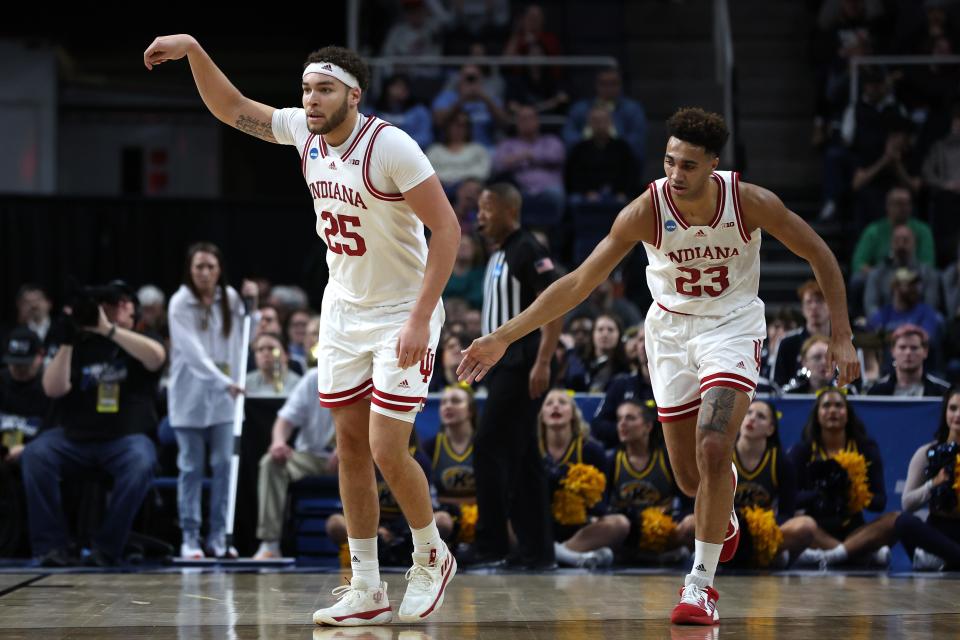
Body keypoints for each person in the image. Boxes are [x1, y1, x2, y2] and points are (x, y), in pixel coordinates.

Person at [459, 107, 859, 625]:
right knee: (692, 479)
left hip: (731, 326)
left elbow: (821, 254)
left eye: (689, 166)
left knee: (714, 445)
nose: (675, 175)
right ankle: (724, 498)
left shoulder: (750, 202)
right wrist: (502, 336)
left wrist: (841, 335)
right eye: (669, 162)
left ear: (713, 163)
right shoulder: (645, 210)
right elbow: (579, 283)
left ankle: (700, 586)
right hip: (669, 333)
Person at [144, 35, 460, 625]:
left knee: (389, 447)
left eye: (324, 90)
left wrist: (421, 318)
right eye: (307, 90)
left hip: (401, 310)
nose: (311, 100)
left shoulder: (391, 146)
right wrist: (192, 50)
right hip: (343, 307)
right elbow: (232, 107)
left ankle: (430, 555)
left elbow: (447, 231)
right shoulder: (302, 132)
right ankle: (366, 583)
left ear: (353, 94)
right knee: (348, 446)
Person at [22, 283, 165, 566]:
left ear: (133, 309)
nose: (117, 308)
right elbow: (53, 389)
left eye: (123, 303)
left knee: (140, 461)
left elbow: (156, 357)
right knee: (36, 454)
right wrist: (68, 340)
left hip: (126, 439)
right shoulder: (79, 341)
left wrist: (108, 329)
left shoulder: (141, 337)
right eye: (110, 303)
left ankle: (107, 547)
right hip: (75, 438)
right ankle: (51, 546)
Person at [468, 182, 562, 569]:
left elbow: (556, 304)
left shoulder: (527, 248)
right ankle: (537, 551)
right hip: (505, 368)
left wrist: (542, 361)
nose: (480, 216)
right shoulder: (497, 255)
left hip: (523, 364)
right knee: (523, 458)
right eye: (479, 209)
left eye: (487, 208)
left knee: (488, 447)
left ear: (510, 210)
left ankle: (491, 544)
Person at [167, 242, 255, 560]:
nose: (204, 273)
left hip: (225, 401)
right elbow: (192, 353)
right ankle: (190, 537)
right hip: (190, 398)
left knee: (223, 467)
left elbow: (246, 336)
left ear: (219, 270)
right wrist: (224, 382)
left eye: (210, 267)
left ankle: (219, 536)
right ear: (190, 271)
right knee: (190, 467)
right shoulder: (179, 303)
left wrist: (252, 305)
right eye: (198, 267)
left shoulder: (230, 299)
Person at [555, 399, 695, 568]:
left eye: (630, 418)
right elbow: (601, 507)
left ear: (648, 426)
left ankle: (653, 554)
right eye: (619, 419)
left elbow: (689, 501)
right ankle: (655, 557)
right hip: (627, 533)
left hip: (663, 532)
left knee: (692, 523)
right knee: (616, 524)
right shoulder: (611, 459)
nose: (622, 424)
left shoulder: (667, 458)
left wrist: (673, 523)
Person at [789, 389, 898, 569]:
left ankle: (832, 556)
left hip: (855, 529)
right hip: (818, 529)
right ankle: (859, 554)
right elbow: (791, 500)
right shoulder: (802, 450)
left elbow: (880, 502)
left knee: (896, 520)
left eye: (839, 405)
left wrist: (857, 493)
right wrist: (819, 493)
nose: (832, 411)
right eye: (826, 406)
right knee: (798, 524)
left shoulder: (865, 448)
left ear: (848, 415)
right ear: (817, 415)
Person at [253, 368, 336, 560]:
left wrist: (348, 447)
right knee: (270, 463)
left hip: (356, 456)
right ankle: (270, 545)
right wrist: (278, 442)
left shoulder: (365, 374)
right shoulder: (313, 378)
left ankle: (373, 543)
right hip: (311, 456)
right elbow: (285, 419)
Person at [731, 400, 817, 567]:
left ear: (771, 429)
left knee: (807, 526)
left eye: (761, 416)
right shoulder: (723, 455)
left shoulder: (781, 461)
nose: (752, 418)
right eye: (748, 413)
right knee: (693, 523)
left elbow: (786, 513)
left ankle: (766, 551)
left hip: (763, 533)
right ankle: (770, 556)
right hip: (727, 531)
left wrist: (760, 528)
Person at [537, 389, 609, 567]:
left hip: (580, 526)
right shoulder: (531, 450)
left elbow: (603, 502)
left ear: (573, 414)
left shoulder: (591, 450)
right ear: (542, 416)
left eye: (562, 402)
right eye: (549, 403)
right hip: (540, 524)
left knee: (620, 524)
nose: (555, 406)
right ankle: (574, 557)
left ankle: (558, 553)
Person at [895, 386, 960, 571]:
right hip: (939, 534)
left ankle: (946, 561)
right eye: (953, 408)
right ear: (945, 412)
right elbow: (907, 504)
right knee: (903, 522)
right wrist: (933, 484)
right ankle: (950, 558)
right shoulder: (926, 453)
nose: (958, 415)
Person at [0, 327, 51, 557]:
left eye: (25, 363)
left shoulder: (51, 385)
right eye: (14, 363)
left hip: (36, 452)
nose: (18, 368)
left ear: (40, 356)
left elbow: (60, 430)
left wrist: (28, 448)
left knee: (35, 462)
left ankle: (41, 546)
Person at [772, 280, 832, 387]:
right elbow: (777, 385)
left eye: (819, 301)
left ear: (831, 307)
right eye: (809, 302)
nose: (814, 307)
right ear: (803, 309)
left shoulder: (844, 342)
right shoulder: (787, 343)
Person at [866, 324, 949, 397]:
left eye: (914, 348)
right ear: (893, 351)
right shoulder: (875, 392)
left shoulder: (943, 392)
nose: (908, 352)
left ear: (925, 352)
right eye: (902, 347)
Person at [245, 332, 302, 398]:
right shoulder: (245, 383)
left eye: (271, 348)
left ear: (286, 355)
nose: (265, 353)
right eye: (260, 349)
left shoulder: (298, 385)